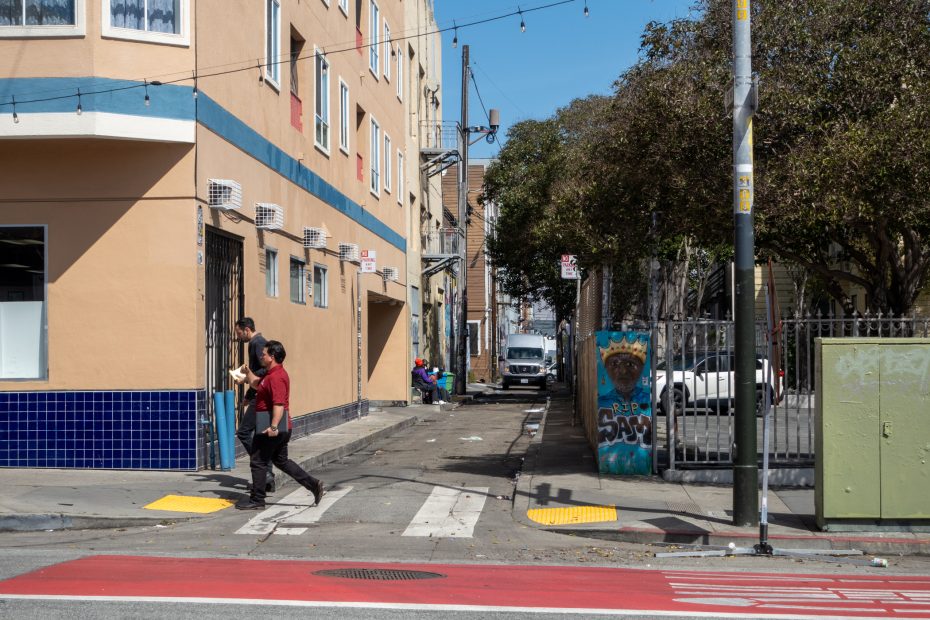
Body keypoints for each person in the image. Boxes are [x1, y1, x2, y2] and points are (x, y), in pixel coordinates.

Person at [235, 340, 326, 510]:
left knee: (258, 461)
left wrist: (274, 427)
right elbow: (257, 384)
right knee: (281, 461)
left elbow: (278, 404)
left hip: (271, 426)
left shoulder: (277, 377)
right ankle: (313, 484)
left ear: (272, 356)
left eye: (264, 354)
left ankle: (257, 500)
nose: (261, 356)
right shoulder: (270, 375)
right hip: (280, 426)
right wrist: (247, 374)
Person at [233, 317, 276, 493]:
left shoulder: (256, 343)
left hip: (262, 396)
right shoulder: (258, 342)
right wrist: (248, 395)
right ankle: (267, 479)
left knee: (243, 432)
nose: (238, 337)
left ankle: (263, 465)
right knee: (262, 436)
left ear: (247, 329)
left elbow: (264, 370)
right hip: (260, 394)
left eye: (239, 333)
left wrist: (245, 377)